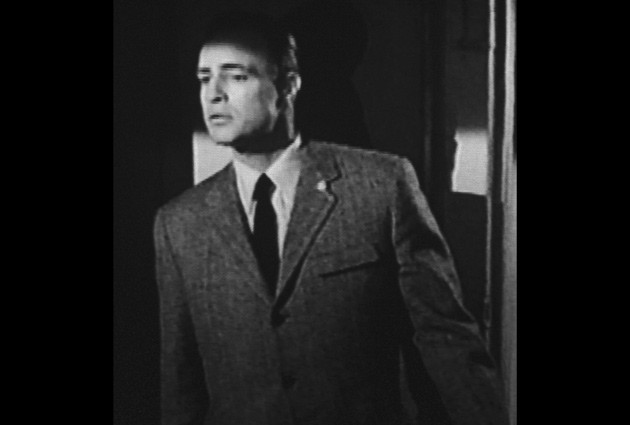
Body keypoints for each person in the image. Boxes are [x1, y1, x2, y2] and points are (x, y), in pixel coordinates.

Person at [154, 11, 507, 425]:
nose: (213, 94)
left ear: (289, 84)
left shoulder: (381, 186)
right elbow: (181, 385)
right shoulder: (179, 224)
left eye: (236, 76)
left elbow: (447, 342)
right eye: (204, 78)